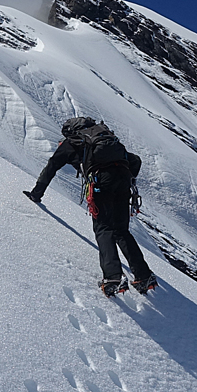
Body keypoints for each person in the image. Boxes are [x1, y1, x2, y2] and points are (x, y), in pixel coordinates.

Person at [24, 117, 157, 297]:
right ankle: (143, 276)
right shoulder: (107, 138)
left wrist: (36, 194)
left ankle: (113, 278)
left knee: (103, 229)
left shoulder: (72, 143)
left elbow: (51, 167)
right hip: (123, 180)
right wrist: (127, 179)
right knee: (121, 231)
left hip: (101, 182)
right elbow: (135, 160)